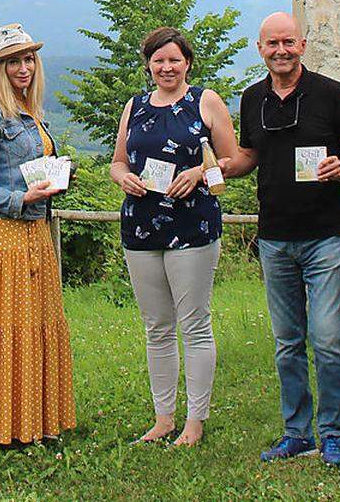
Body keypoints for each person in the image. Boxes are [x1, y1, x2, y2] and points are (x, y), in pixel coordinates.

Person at [227, 12, 340, 467]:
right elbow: (249, 155)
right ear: (260, 49)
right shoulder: (252, 98)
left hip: (327, 235)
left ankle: (332, 434)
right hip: (274, 236)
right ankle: (296, 432)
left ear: (302, 45)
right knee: (287, 341)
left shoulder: (330, 93)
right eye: (272, 44)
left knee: (326, 337)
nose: (280, 51)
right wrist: (224, 168)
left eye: (288, 42)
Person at [109, 26, 239, 447]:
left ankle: (195, 421)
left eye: (174, 60)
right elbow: (117, 161)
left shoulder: (206, 101)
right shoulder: (135, 106)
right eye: (159, 60)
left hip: (193, 224)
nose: (167, 67)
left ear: (187, 63)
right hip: (142, 225)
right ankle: (163, 417)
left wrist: (200, 172)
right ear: (148, 65)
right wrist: (124, 178)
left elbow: (232, 162)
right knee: (156, 326)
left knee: (194, 324)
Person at [0, 23, 77, 444]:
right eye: (13, 61)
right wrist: (18, 199)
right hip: (5, 236)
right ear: (0, 68)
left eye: (28, 59)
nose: (23, 67)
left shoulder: (33, 115)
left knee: (37, 326)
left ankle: (37, 423)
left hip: (37, 235)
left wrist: (60, 178)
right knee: (6, 329)